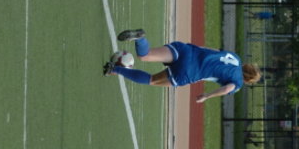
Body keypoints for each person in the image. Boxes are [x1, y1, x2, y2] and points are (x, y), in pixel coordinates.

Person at [103, 29, 261, 103]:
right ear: (247, 80)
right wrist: (207, 96)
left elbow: (211, 50)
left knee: (145, 55)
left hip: (187, 51)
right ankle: (114, 69)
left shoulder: (235, 57)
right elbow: (227, 89)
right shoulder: (238, 83)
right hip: (189, 72)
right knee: (152, 80)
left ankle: (140, 39)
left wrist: (191, 49)